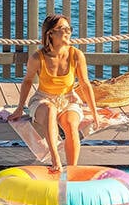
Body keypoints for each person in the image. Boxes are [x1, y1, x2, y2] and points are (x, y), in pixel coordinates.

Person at [9, 13, 100, 172]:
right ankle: (56, 161)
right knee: (50, 110)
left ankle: (72, 170)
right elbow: (27, 82)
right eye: (62, 29)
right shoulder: (38, 57)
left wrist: (95, 113)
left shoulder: (76, 55)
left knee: (71, 124)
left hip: (68, 99)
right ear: (50, 33)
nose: (68, 32)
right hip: (43, 99)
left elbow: (85, 84)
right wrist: (19, 108)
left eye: (68, 29)